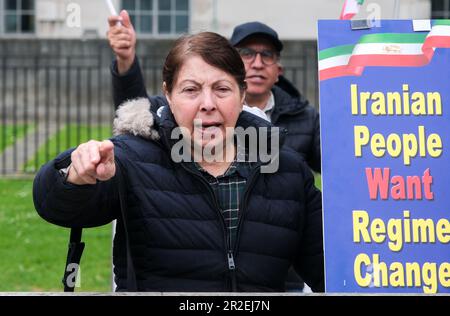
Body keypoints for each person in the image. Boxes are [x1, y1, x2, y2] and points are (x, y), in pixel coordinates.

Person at [33, 31, 324, 292]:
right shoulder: (134, 160)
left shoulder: (288, 171)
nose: (207, 103)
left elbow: (333, 270)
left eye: (222, 89)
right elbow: (53, 204)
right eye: (191, 90)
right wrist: (75, 175)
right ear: (169, 96)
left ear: (242, 95)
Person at [108, 13, 320, 291]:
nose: (207, 104)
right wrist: (74, 173)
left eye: (266, 54)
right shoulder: (156, 149)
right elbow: (138, 115)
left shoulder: (300, 127)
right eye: (247, 52)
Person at [108, 15, 321, 173]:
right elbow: (134, 113)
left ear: (278, 71)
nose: (257, 63)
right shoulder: (177, 110)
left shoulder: (305, 119)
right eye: (247, 53)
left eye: (267, 55)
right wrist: (126, 61)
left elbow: (341, 166)